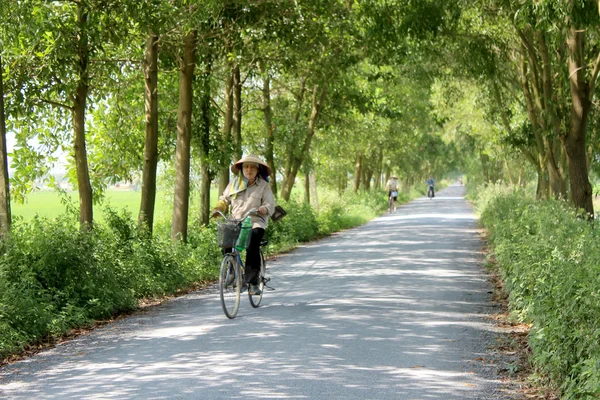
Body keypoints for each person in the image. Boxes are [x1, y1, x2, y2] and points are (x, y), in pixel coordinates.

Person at [212, 154, 275, 295]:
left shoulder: (263, 186)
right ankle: (232, 269)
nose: (249, 170)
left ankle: (252, 283)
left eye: (253, 167)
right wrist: (218, 208)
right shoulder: (234, 184)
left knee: (253, 242)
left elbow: (270, 205)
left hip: (255, 221)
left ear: (258, 170)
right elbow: (224, 199)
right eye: (246, 167)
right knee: (225, 239)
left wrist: (263, 208)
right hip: (236, 220)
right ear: (242, 169)